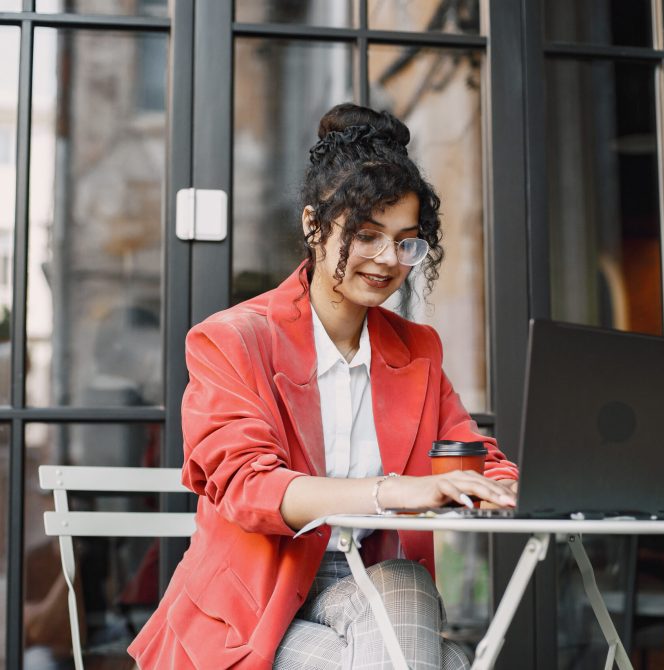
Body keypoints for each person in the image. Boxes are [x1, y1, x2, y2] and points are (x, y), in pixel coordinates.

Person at [128, 103, 518, 669]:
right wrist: (391, 491)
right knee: (448, 661)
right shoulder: (231, 340)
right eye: (366, 236)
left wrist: (504, 485)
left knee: (406, 586)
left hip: (372, 591)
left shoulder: (418, 351)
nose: (388, 260)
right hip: (254, 611)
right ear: (314, 225)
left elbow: (475, 459)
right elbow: (251, 488)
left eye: (406, 242)